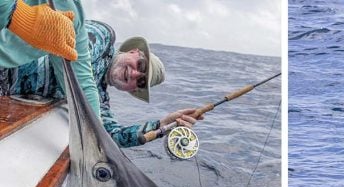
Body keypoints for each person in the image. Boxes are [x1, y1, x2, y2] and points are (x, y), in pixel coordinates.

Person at [1, 0, 199, 147]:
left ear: (130, 90)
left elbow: (109, 135)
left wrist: (160, 126)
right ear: (133, 52)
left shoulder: (100, 97)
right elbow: (80, 63)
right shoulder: (103, 36)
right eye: (141, 65)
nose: (136, 74)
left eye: (140, 82)